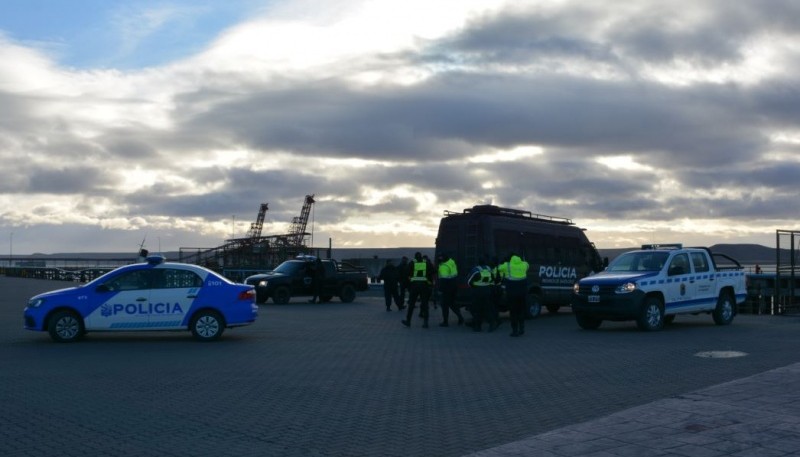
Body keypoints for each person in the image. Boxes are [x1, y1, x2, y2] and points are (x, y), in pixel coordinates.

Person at [401, 252, 433, 329]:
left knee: (411, 304)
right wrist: (429, 281)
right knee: (425, 304)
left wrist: (410, 282)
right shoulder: (426, 263)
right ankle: (426, 322)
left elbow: (406, 273)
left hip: (414, 286)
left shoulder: (412, 263)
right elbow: (433, 271)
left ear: (415, 257)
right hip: (424, 286)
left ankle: (408, 321)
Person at [500, 253, 529, 337]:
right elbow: (527, 264)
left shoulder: (507, 265)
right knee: (521, 311)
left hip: (512, 294)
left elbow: (499, 268)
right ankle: (522, 328)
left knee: (513, 312)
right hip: (522, 294)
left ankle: (515, 330)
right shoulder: (524, 265)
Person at [466, 258, 494, 332]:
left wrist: (473, 287)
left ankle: (478, 327)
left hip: (477, 292)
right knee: (487, 309)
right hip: (487, 291)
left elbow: (469, 281)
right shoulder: (489, 269)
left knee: (477, 309)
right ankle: (492, 325)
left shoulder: (476, 270)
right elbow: (493, 279)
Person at [436, 253, 463, 327]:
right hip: (454, 286)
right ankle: (460, 317)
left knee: (444, 305)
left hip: (447, 288)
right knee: (452, 303)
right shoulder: (451, 261)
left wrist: (440, 290)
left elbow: (443, 280)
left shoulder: (443, 267)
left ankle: (445, 322)